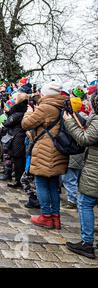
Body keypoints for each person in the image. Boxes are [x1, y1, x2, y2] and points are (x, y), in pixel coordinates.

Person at [22, 82, 68, 230]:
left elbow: (26, 124)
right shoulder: (62, 105)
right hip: (58, 150)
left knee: (41, 183)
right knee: (53, 186)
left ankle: (46, 216)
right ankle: (56, 218)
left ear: (46, 93)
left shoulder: (46, 107)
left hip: (44, 151)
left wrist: (29, 112)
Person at [65, 92, 98, 259]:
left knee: (85, 202)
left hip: (95, 169)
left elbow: (86, 138)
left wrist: (70, 122)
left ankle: (87, 243)